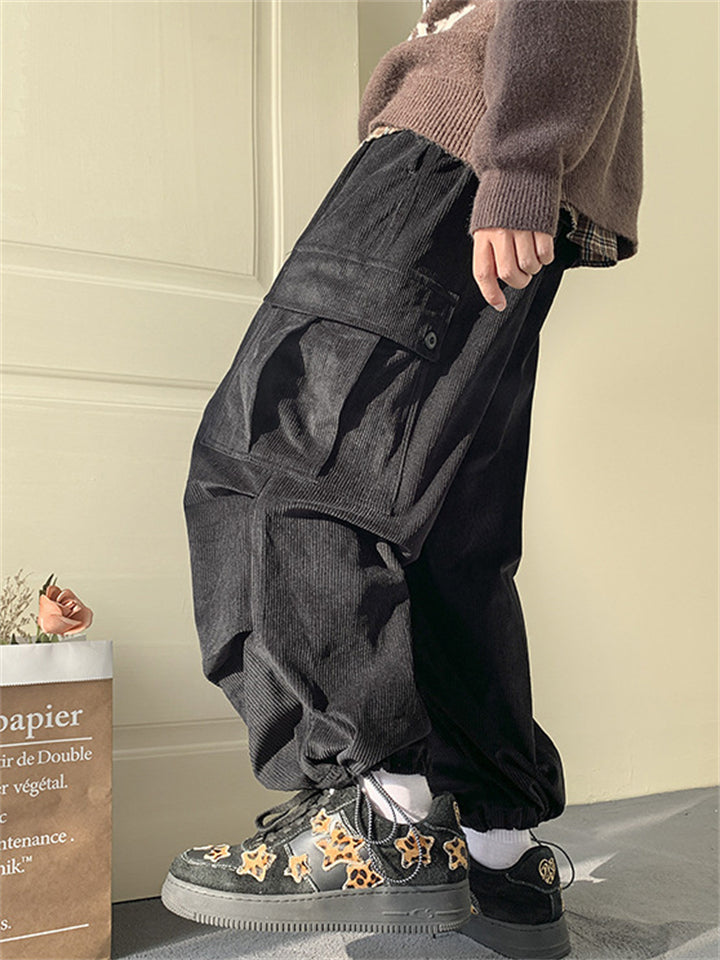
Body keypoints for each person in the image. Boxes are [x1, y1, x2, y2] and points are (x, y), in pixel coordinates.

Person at [161, 2, 643, 958]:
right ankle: (497, 851)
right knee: (446, 523)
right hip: (497, 134)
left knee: (276, 456)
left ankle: (375, 817)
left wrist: (523, 156)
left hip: (464, 133)